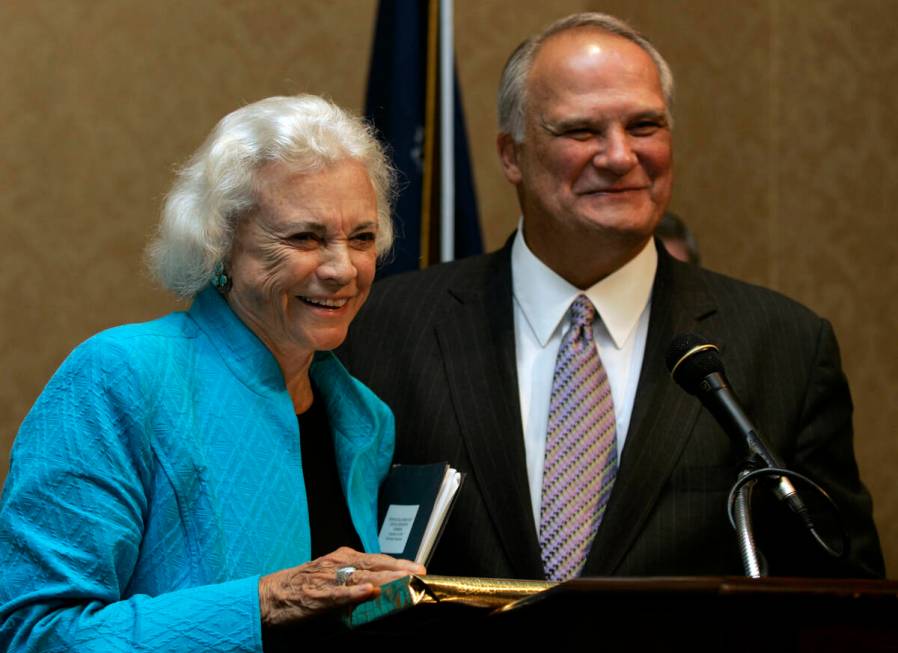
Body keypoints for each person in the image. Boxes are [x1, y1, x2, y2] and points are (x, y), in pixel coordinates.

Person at [338, 14, 884, 580]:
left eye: (645, 126)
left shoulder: (784, 346)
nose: (620, 156)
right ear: (511, 155)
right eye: (581, 131)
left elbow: (844, 595)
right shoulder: (383, 329)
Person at [0, 94, 425, 651]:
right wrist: (269, 600)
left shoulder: (363, 417)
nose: (342, 268)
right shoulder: (121, 376)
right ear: (220, 243)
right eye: (305, 237)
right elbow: (35, 634)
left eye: (362, 238)